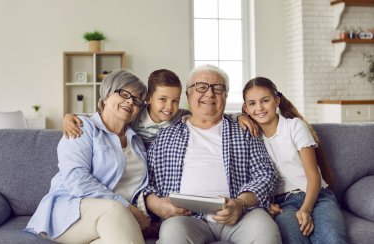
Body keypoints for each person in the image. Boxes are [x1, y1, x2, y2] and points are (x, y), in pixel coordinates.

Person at [144, 64, 281, 244]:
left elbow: (265, 174)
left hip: (241, 216)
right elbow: (147, 183)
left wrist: (240, 204)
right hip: (186, 219)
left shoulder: (244, 130)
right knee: (172, 234)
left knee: (265, 231)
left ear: (225, 95)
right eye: (201, 87)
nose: (209, 94)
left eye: (218, 88)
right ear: (188, 95)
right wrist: (156, 203)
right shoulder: (165, 137)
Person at [25, 70, 150, 244]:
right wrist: (127, 207)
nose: (130, 101)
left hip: (114, 221)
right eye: (124, 93)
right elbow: (76, 179)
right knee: (114, 210)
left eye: (136, 100)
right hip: (72, 210)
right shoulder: (82, 128)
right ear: (106, 95)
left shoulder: (136, 141)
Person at [241, 77, 347, 244]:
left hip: (317, 196)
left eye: (265, 101)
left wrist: (306, 208)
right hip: (282, 204)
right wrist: (239, 117)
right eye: (252, 103)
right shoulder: (250, 136)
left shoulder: (295, 126)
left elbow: (313, 175)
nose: (259, 108)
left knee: (333, 239)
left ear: (276, 101)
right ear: (246, 108)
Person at [63, 69, 189, 149]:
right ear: (148, 98)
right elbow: (101, 119)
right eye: (163, 99)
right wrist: (70, 117)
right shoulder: (134, 113)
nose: (169, 106)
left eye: (175, 101)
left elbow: (199, 117)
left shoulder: (179, 117)